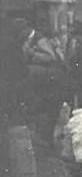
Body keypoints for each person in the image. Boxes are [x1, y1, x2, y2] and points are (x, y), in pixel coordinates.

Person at [13, 18, 68, 155]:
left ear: (25, 30)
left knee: (47, 118)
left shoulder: (39, 39)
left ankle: (46, 149)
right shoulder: (32, 40)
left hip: (50, 83)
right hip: (45, 83)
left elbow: (50, 58)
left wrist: (30, 53)